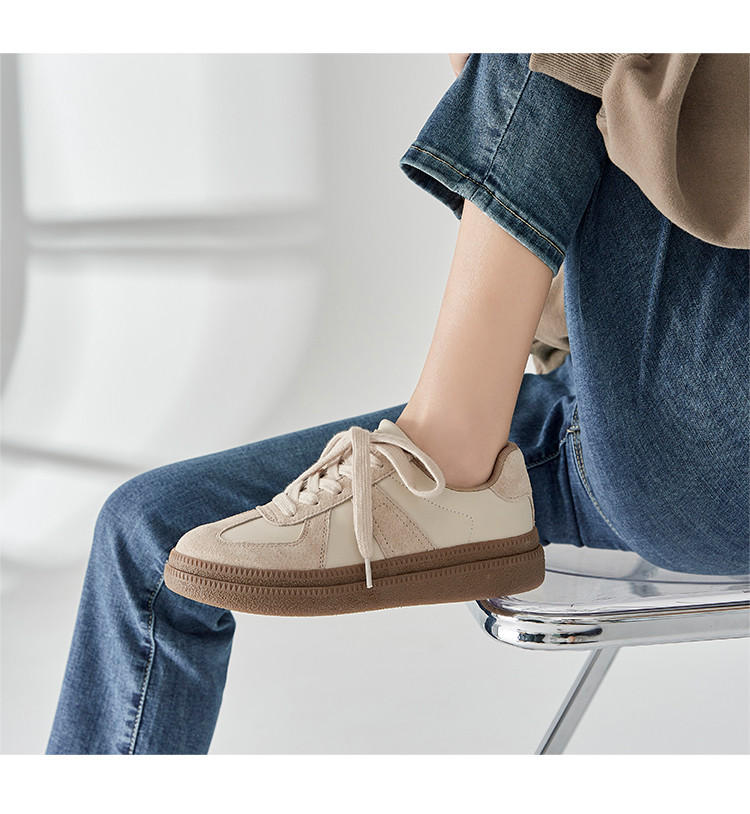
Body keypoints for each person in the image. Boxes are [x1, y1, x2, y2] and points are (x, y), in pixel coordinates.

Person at [47, 53, 749, 754]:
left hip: (710, 444)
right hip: (596, 408)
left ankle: (445, 457)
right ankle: (453, 466)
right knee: (146, 527)